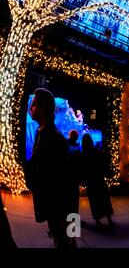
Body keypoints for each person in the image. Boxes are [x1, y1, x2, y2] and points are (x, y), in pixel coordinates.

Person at [24, 88, 76, 248]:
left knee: (65, 241)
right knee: (62, 237)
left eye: (33, 105)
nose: (30, 108)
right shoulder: (43, 132)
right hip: (53, 205)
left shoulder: (54, 137)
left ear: (43, 109)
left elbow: (59, 177)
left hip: (58, 206)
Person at [81, 134, 114, 228]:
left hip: (90, 182)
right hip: (99, 179)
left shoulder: (83, 154)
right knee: (104, 199)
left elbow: (83, 170)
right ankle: (109, 220)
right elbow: (103, 164)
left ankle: (97, 221)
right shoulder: (97, 152)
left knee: (94, 202)